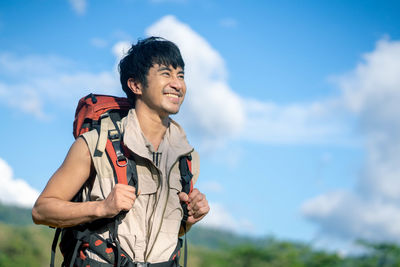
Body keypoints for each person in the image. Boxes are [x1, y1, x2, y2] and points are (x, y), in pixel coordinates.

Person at [32, 36, 210, 266]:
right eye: (166, 73)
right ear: (135, 85)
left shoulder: (187, 159)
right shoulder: (95, 144)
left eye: (181, 75)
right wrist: (102, 207)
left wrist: (191, 218)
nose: (178, 84)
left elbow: (167, 234)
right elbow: (42, 210)